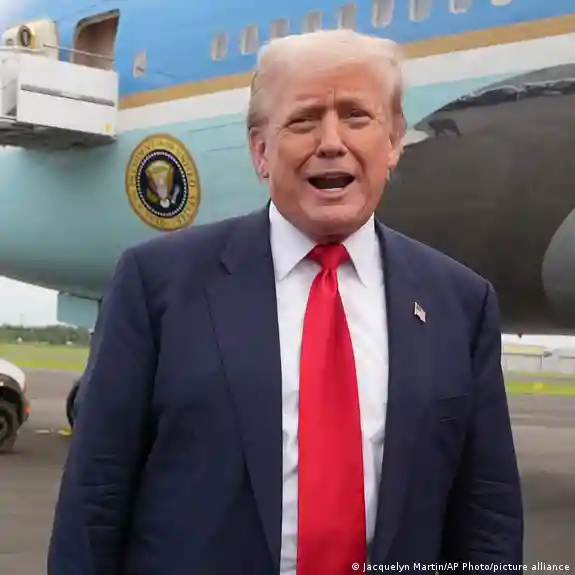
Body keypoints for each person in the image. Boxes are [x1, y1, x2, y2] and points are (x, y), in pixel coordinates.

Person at [47, 29, 523, 575]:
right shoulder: (156, 285)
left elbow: (487, 514)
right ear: (261, 151)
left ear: (394, 141)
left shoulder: (460, 303)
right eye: (302, 120)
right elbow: (95, 498)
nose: (331, 142)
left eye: (356, 116)